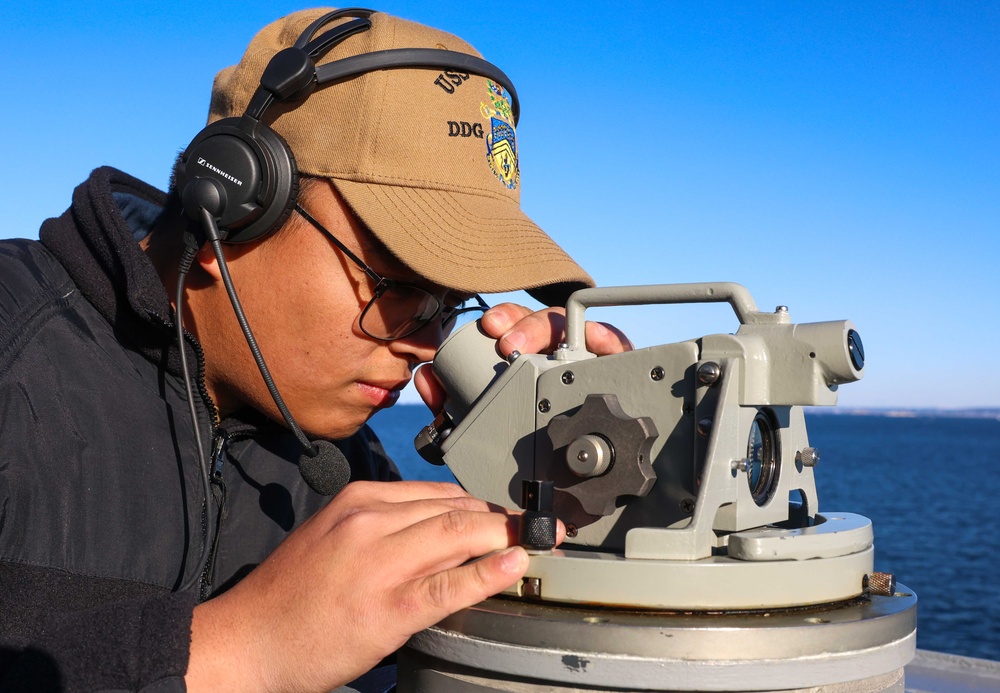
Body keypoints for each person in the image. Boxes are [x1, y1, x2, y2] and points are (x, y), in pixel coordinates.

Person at [0, 7, 630, 693]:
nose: (425, 343)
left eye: (450, 304)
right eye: (398, 286)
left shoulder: (339, 458)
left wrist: (569, 466)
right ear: (234, 207)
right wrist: (239, 650)